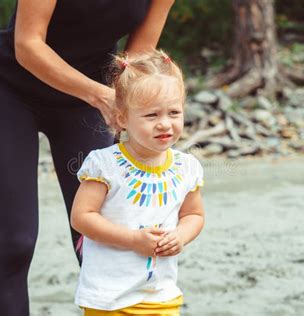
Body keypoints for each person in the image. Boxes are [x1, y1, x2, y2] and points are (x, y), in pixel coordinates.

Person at [0, 0, 176, 315]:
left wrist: (143, 110)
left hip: (86, 106)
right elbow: (28, 45)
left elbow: (134, 58)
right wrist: (100, 96)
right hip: (12, 93)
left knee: (101, 242)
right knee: (16, 242)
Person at [70, 49, 205, 315]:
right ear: (122, 119)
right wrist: (133, 239)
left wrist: (181, 235)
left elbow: (194, 215)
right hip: (108, 298)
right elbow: (82, 217)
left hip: (162, 296)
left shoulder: (187, 167)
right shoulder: (104, 165)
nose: (164, 124)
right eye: (152, 115)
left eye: (174, 113)